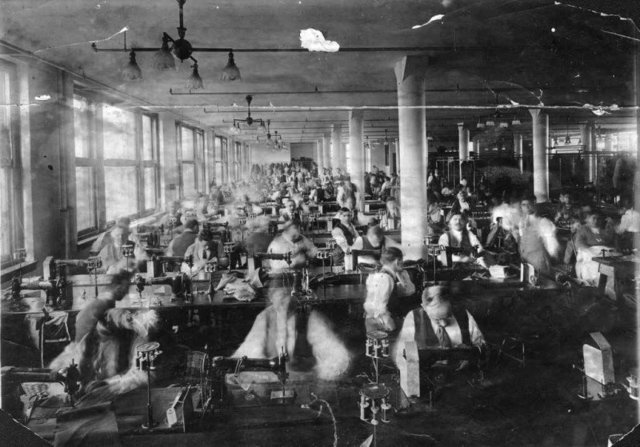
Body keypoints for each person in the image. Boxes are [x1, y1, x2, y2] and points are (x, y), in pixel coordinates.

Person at [394, 285, 485, 369]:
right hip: (427, 376)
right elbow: (403, 356)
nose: (443, 323)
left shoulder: (463, 314)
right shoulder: (414, 318)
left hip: (461, 374)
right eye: (437, 319)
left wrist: (470, 358)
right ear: (424, 307)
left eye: (448, 316)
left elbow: (482, 346)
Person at [364, 247, 416, 333]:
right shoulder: (385, 278)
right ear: (397, 261)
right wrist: (393, 328)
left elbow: (409, 290)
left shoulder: (384, 275)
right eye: (402, 260)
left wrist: (401, 274)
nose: (403, 263)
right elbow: (379, 309)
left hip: (379, 321)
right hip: (380, 325)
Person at [74, 271, 132, 342]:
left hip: (81, 338)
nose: (127, 292)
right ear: (118, 287)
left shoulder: (105, 297)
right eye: (126, 288)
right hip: (84, 341)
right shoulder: (106, 302)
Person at [514, 197, 560, 277]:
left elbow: (552, 247)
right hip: (526, 262)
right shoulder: (522, 222)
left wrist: (552, 260)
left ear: (534, 203)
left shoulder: (543, 222)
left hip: (539, 263)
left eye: (529, 204)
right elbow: (522, 241)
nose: (527, 207)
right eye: (524, 204)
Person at [575, 211, 617, 285]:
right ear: (588, 219)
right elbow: (579, 243)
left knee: (611, 262)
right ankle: (598, 283)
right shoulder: (583, 229)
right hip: (588, 251)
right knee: (596, 264)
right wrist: (591, 250)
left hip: (603, 251)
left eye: (598, 219)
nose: (596, 221)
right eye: (594, 218)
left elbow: (609, 241)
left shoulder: (602, 230)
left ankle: (609, 284)